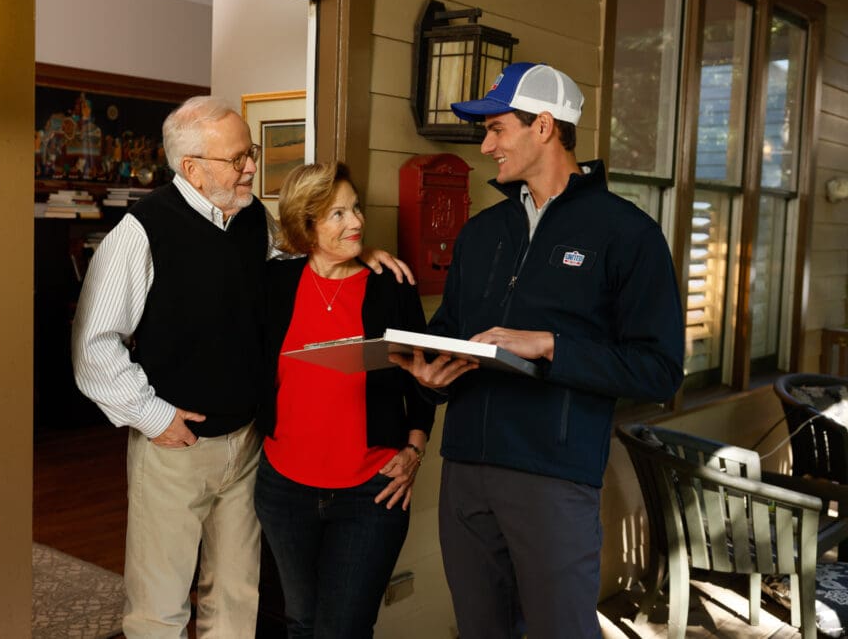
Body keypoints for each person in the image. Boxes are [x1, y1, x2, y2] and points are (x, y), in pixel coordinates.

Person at [72, 97, 411, 638]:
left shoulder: (254, 220)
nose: (252, 166)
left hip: (248, 447)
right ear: (193, 168)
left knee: (234, 601)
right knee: (158, 609)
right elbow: (93, 346)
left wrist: (359, 252)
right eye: (238, 158)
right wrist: (154, 417)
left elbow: (306, 263)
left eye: (250, 152)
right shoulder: (142, 230)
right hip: (172, 448)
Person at [391, 62, 685, 638]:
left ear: (544, 126)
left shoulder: (627, 234)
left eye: (497, 128)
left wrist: (552, 345)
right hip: (466, 473)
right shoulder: (481, 233)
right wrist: (432, 374)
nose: (486, 145)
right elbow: (452, 329)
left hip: (553, 475)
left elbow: (659, 370)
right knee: (480, 630)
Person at [255, 162, 435, 638]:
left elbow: (422, 376)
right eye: (336, 214)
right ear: (306, 224)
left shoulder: (391, 285)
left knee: (344, 630)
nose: (355, 222)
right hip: (284, 489)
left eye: (355, 208)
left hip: (370, 493)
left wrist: (416, 447)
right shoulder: (274, 284)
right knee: (301, 622)